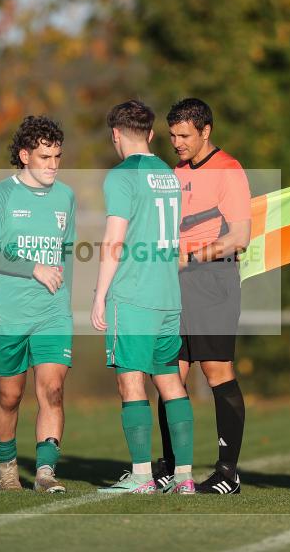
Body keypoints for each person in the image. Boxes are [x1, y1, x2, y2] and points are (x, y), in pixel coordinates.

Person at [92, 99, 195, 495]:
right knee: (170, 382)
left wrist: (100, 295)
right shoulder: (169, 174)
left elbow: (114, 240)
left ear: (115, 134)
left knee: (131, 383)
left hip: (133, 296)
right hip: (169, 295)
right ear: (151, 134)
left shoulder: (120, 177)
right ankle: (184, 477)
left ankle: (140, 477)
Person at [0, 116, 76, 493]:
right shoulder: (0, 195)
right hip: (8, 313)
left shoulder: (66, 197)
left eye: (57, 157)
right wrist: (33, 268)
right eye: (44, 157)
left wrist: (69, 300)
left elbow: (66, 258)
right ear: (24, 155)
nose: (52, 165)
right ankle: (8, 466)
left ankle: (46, 473)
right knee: (9, 396)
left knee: (52, 390)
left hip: (52, 312)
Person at [154, 98, 250, 495]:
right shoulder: (174, 172)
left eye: (184, 135)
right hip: (175, 284)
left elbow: (240, 238)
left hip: (213, 281)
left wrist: (190, 256)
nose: (176, 142)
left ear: (205, 132)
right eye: (172, 134)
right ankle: (172, 467)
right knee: (168, 375)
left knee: (216, 372)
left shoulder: (229, 170)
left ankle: (228, 472)